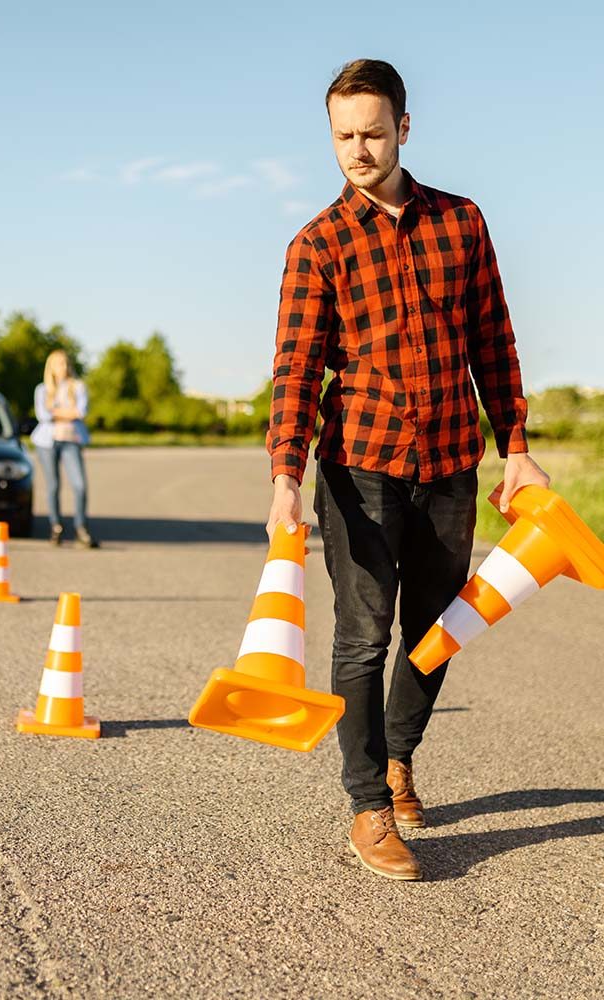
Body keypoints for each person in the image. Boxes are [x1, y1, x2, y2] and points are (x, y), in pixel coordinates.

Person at [266, 59, 549, 881]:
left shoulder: (462, 223)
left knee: (434, 631)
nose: (358, 150)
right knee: (363, 636)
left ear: (405, 128)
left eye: (373, 133)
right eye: (344, 137)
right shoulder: (316, 244)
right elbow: (295, 367)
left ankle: (398, 757)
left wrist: (518, 446)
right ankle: (368, 806)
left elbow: (494, 340)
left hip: (453, 461)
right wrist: (286, 471)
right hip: (359, 467)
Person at [32, 349, 98, 548]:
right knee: (53, 486)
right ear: (51, 367)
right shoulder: (42, 389)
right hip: (47, 442)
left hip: (72, 440)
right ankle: (56, 526)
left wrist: (56, 412)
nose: (64, 367)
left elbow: (81, 412)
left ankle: (81, 528)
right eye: (59, 363)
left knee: (79, 485)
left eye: (66, 363)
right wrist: (68, 412)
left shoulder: (78, 387)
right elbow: (43, 416)